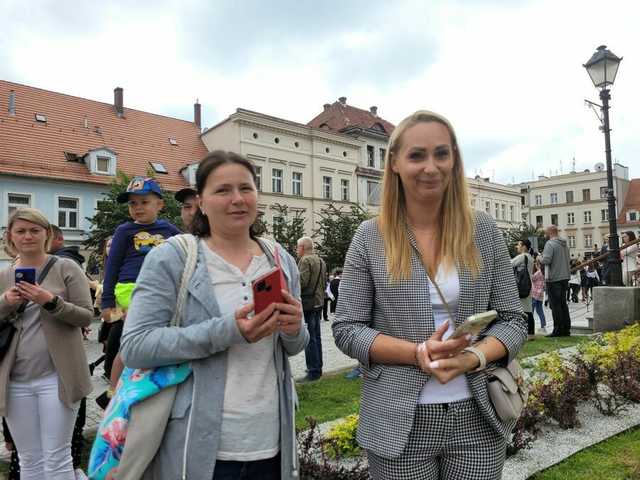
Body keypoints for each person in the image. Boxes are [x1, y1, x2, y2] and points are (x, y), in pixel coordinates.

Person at [333, 111, 526, 480]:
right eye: (417, 155)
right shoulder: (370, 237)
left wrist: (471, 357)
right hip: (397, 420)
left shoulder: (481, 230)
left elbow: (513, 319)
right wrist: (416, 353)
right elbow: (346, 328)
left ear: (454, 160)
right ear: (394, 163)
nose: (431, 167)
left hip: (477, 416)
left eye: (441, 154)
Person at [120, 151, 308, 479]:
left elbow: (292, 347)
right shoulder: (172, 258)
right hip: (199, 445)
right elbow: (136, 346)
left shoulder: (280, 259)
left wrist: (294, 329)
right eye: (222, 190)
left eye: (246, 188)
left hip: (271, 442)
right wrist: (227, 331)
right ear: (201, 202)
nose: (237, 199)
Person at [0, 208, 93, 480]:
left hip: (57, 378)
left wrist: (49, 301)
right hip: (15, 379)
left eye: (34, 230)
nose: (27, 236)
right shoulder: (5, 275)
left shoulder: (66, 267)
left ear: (46, 234)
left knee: (57, 457)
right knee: (28, 459)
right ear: (11, 237)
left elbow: (86, 316)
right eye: (21, 231)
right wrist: (6, 302)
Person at [101, 177, 180, 397]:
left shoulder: (169, 229)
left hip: (160, 288)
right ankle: (114, 390)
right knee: (133, 341)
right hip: (130, 289)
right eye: (132, 204)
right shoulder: (124, 231)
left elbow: (189, 249)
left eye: (144, 202)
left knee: (148, 339)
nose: (137, 208)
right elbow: (112, 266)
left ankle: (151, 381)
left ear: (160, 204)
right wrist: (107, 302)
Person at [296, 236, 327, 382]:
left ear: (302, 248)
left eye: (297, 248)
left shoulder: (305, 260)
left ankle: (313, 371)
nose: (296, 251)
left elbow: (302, 282)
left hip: (308, 303)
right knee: (317, 337)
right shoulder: (320, 260)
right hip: (318, 302)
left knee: (309, 338)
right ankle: (318, 367)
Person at [539, 225, 571, 337]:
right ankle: (566, 329)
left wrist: (539, 258)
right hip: (565, 277)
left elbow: (546, 260)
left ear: (549, 232)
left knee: (555, 305)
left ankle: (557, 329)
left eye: (546, 232)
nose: (545, 235)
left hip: (554, 278)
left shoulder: (550, 244)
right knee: (563, 304)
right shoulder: (565, 244)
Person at [511, 239, 534, 340]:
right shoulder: (530, 257)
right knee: (528, 309)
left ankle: (528, 333)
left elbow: (509, 264)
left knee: (525, 310)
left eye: (518, 244)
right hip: (527, 285)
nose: (517, 246)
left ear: (524, 247)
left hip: (522, 286)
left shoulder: (522, 257)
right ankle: (530, 333)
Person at [531, 259, 547, 333]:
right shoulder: (544, 273)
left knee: (531, 311)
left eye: (536, 264)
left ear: (539, 265)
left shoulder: (538, 272)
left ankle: (530, 327)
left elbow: (532, 278)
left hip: (534, 294)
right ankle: (543, 327)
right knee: (540, 310)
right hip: (540, 295)